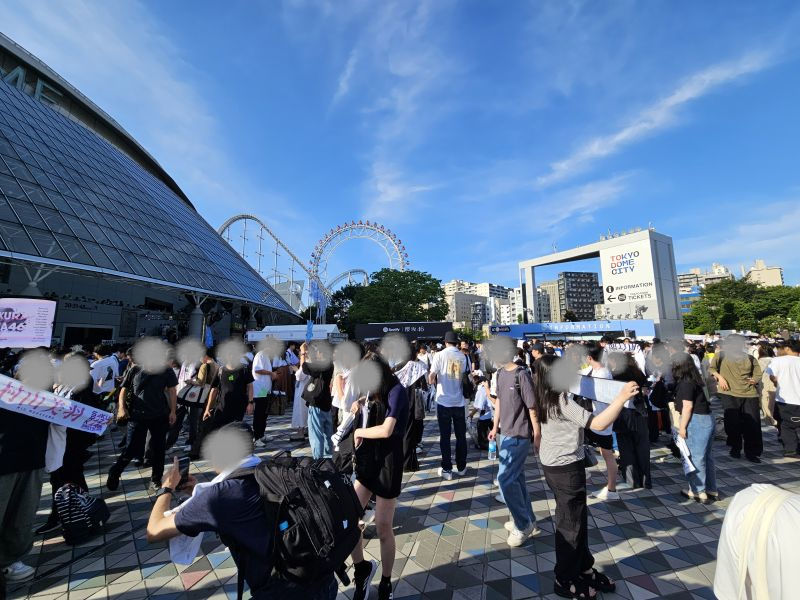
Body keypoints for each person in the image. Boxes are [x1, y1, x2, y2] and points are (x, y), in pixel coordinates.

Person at [145, 424, 337, 599]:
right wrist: (198, 493)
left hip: (282, 592)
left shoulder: (218, 496)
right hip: (323, 579)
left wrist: (167, 488)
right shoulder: (271, 470)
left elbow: (154, 531)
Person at [532, 355, 638, 600]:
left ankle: (584, 568)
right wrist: (621, 397)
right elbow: (598, 424)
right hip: (566, 468)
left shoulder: (544, 395)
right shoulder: (561, 402)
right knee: (571, 525)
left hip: (554, 464)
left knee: (575, 520)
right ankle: (565, 578)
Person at [348, 354, 408, 600]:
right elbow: (371, 403)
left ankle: (386, 581)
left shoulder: (397, 391)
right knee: (349, 517)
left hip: (388, 463)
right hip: (368, 461)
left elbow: (387, 429)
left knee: (384, 526)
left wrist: (360, 430)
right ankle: (362, 568)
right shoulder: (376, 391)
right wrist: (359, 402)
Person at [0, 363, 49, 584]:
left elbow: (72, 419)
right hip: (4, 462)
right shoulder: (4, 392)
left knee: (23, 515)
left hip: (33, 462)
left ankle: (9, 560)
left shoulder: (49, 399)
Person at [488, 347, 541, 547]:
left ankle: (523, 524)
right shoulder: (500, 374)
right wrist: (495, 426)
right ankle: (529, 519)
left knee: (505, 479)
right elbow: (499, 402)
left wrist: (537, 434)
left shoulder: (522, 375)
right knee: (517, 479)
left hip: (520, 434)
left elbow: (532, 407)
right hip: (505, 433)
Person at [108, 359, 178, 493]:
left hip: (160, 415)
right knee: (131, 448)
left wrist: (173, 411)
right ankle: (115, 471)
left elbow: (172, 391)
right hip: (137, 415)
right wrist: (122, 408)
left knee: (159, 449)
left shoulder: (166, 370)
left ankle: (155, 480)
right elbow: (123, 389)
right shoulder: (135, 369)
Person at [709, 335, 763, 463]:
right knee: (732, 423)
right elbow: (711, 368)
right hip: (729, 393)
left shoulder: (750, 358)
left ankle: (752, 452)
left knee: (753, 425)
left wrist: (754, 379)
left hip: (750, 394)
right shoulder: (721, 355)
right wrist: (720, 378)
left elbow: (757, 373)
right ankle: (735, 448)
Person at [674, 353, 718, 504]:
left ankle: (698, 491)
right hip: (708, 418)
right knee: (707, 457)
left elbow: (687, 407)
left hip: (696, 420)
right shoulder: (697, 379)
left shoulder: (685, 382)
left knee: (695, 458)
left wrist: (682, 428)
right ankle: (711, 489)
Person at [606, 352, 651, 490]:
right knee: (642, 448)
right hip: (640, 414)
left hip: (623, 415)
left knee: (626, 449)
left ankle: (632, 481)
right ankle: (646, 481)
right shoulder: (638, 374)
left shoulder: (615, 376)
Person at [428, 331, 469, 480]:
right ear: (456, 343)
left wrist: (431, 378)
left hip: (443, 401)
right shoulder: (462, 356)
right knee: (461, 436)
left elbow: (432, 376)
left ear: (445, 342)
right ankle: (462, 466)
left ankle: (447, 469)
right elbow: (464, 376)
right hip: (459, 401)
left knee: (445, 437)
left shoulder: (439, 355)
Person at [582, 343, 618, 501]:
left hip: (602, 418)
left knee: (607, 454)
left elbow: (590, 391)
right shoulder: (593, 370)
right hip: (591, 417)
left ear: (589, 357)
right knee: (584, 446)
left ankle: (612, 489)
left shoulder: (602, 373)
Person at [766, 339, 800, 456]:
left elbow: (772, 376)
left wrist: (777, 382)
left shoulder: (777, 361)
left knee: (786, 425)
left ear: (787, 348)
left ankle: (791, 449)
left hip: (784, 398)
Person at [203, 355, 255, 430]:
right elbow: (214, 390)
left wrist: (250, 403)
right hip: (222, 408)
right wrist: (207, 409)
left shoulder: (244, 370)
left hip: (238, 408)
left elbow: (250, 386)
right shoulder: (220, 370)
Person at [302, 341, 335, 459]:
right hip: (326, 402)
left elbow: (305, 368)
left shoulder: (322, 365)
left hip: (317, 403)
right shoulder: (330, 363)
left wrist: (302, 354)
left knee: (316, 435)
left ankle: (318, 462)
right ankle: (328, 460)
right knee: (328, 434)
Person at [251, 346, 275, 448]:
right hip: (260, 389)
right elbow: (257, 369)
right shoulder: (260, 355)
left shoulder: (266, 355)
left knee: (264, 413)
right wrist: (271, 373)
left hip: (265, 389)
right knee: (259, 413)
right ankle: (256, 438)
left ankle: (261, 434)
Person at [290, 343, 309, 442]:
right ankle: (304, 429)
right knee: (303, 411)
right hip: (304, 389)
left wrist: (296, 370)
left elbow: (300, 375)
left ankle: (301, 432)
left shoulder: (307, 362)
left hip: (303, 390)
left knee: (301, 411)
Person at [757, 344, 777, 426]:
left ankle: (770, 421)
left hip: (764, 385)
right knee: (774, 405)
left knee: (766, 404)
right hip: (776, 385)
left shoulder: (759, 362)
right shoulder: (776, 360)